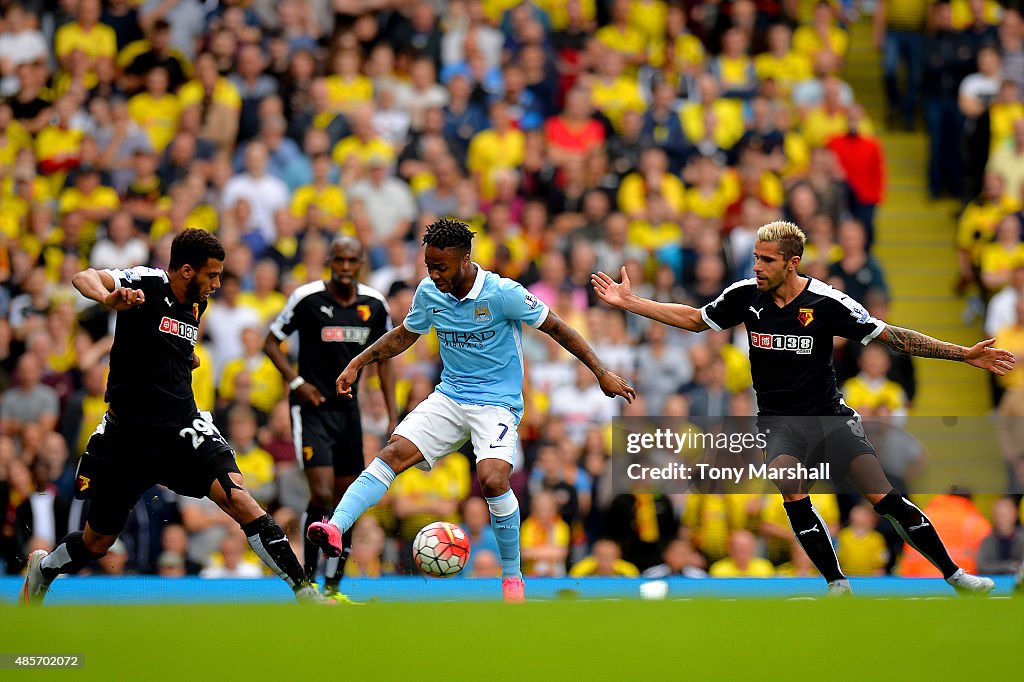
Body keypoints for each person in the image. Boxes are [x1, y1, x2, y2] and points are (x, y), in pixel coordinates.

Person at [593, 220, 1013, 595]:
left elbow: (893, 337)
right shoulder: (745, 296)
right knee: (792, 492)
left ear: (791, 263)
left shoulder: (828, 303)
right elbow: (695, 318)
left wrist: (962, 354)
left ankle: (955, 574)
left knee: (882, 496)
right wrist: (632, 303)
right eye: (755, 257)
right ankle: (837, 584)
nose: (756, 266)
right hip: (778, 423)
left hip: (830, 418)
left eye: (766, 260)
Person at [307, 218, 635, 602]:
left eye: (441, 267)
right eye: (429, 266)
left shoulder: (502, 293)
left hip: (497, 404)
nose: (434, 274)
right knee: (392, 452)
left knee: (493, 479)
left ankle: (512, 578)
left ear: (465, 259)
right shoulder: (429, 293)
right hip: (450, 397)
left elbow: (559, 328)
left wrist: (601, 372)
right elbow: (403, 336)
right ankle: (335, 526)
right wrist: (357, 363)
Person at [21, 229, 327, 605]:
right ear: (185, 270)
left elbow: (173, 344)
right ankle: (46, 568)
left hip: (182, 427)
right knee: (97, 541)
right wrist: (108, 298)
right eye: (212, 275)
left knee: (238, 497)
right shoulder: (145, 283)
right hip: (127, 436)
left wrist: (186, 358)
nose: (217, 284)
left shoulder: (198, 303)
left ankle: (305, 591)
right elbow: (83, 276)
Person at [265, 236, 394, 602]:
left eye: (353, 260)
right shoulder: (307, 299)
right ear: (329, 261)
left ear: (362, 263)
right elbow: (271, 341)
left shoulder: (374, 304)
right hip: (312, 409)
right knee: (320, 493)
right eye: (340, 260)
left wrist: (391, 415)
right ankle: (306, 583)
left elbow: (386, 358)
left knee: (345, 498)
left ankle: (334, 587)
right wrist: (296, 382)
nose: (346, 267)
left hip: (348, 412)